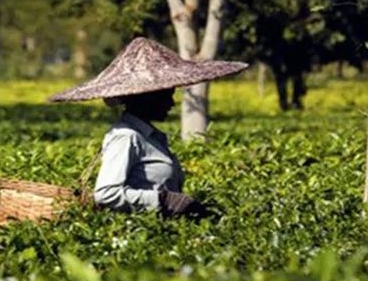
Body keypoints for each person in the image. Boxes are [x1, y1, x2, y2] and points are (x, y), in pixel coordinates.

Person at [49, 37, 247, 218]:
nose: (171, 103)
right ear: (145, 97)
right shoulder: (126, 136)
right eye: (165, 96)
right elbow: (106, 194)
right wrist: (162, 200)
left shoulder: (152, 137)